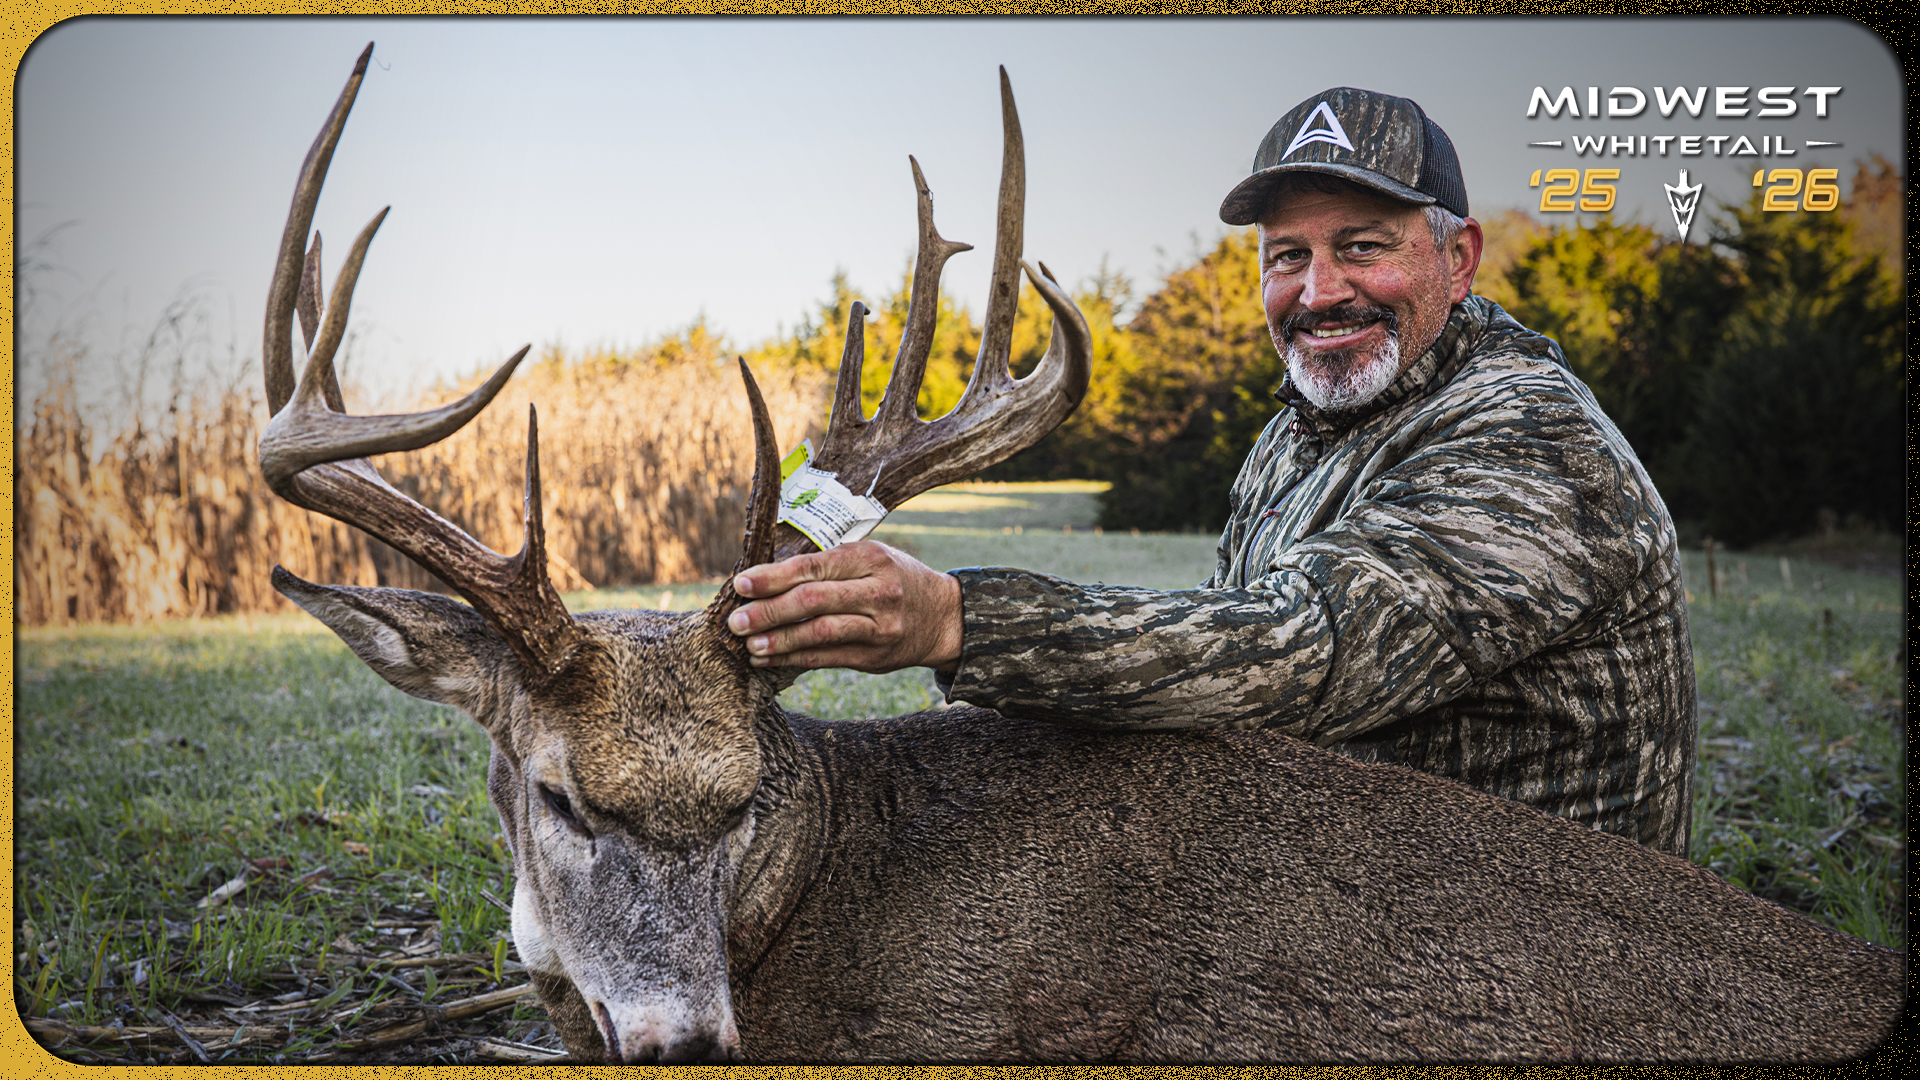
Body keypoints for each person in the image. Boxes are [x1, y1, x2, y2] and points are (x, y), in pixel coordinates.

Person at [724, 87, 1697, 858]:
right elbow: (1225, 642)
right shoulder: (1298, 435)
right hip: (1357, 866)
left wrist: (959, 620)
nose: (1320, 292)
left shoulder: (1530, 436)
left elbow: (1308, 653)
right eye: (1288, 257)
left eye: (1363, 247)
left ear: (1461, 256)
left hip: (1539, 930)